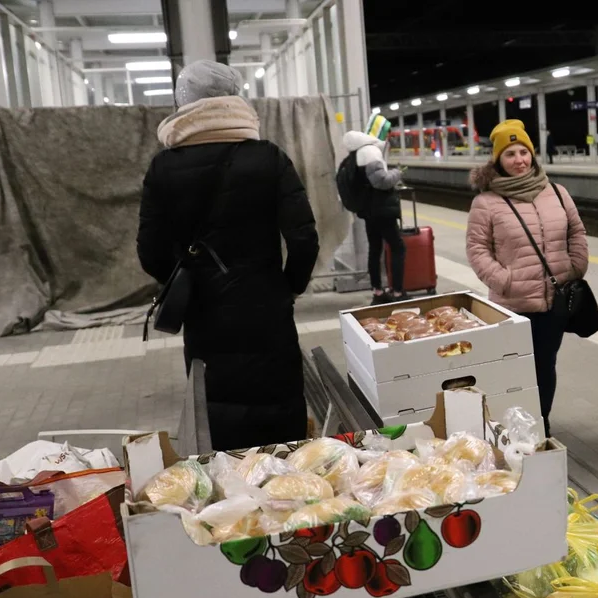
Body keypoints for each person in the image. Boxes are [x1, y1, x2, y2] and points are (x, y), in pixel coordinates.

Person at [137, 60, 319, 451]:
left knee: (216, 412)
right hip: (267, 307)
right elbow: (304, 240)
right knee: (280, 418)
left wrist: (186, 281)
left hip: (205, 313)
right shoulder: (269, 157)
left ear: (183, 102)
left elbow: (149, 252)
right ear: (234, 98)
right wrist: (287, 287)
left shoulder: (163, 167)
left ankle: (231, 499)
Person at [466, 119, 589, 438]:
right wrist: (502, 280)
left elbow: (576, 230)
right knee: (514, 369)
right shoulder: (486, 202)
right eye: (510, 154)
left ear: (532, 155)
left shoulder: (557, 193)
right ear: (498, 161)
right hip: (512, 304)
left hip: (553, 301)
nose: (519, 159)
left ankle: (541, 421)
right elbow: (477, 249)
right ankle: (513, 425)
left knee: (545, 365)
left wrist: (576, 267)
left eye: (523, 152)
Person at [341, 113, 407, 304]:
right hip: (381, 210)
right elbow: (381, 181)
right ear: (380, 131)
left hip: (369, 210)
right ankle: (397, 292)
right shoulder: (370, 151)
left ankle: (378, 292)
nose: (388, 137)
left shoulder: (358, 151)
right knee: (397, 247)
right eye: (387, 132)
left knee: (375, 248)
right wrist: (397, 173)